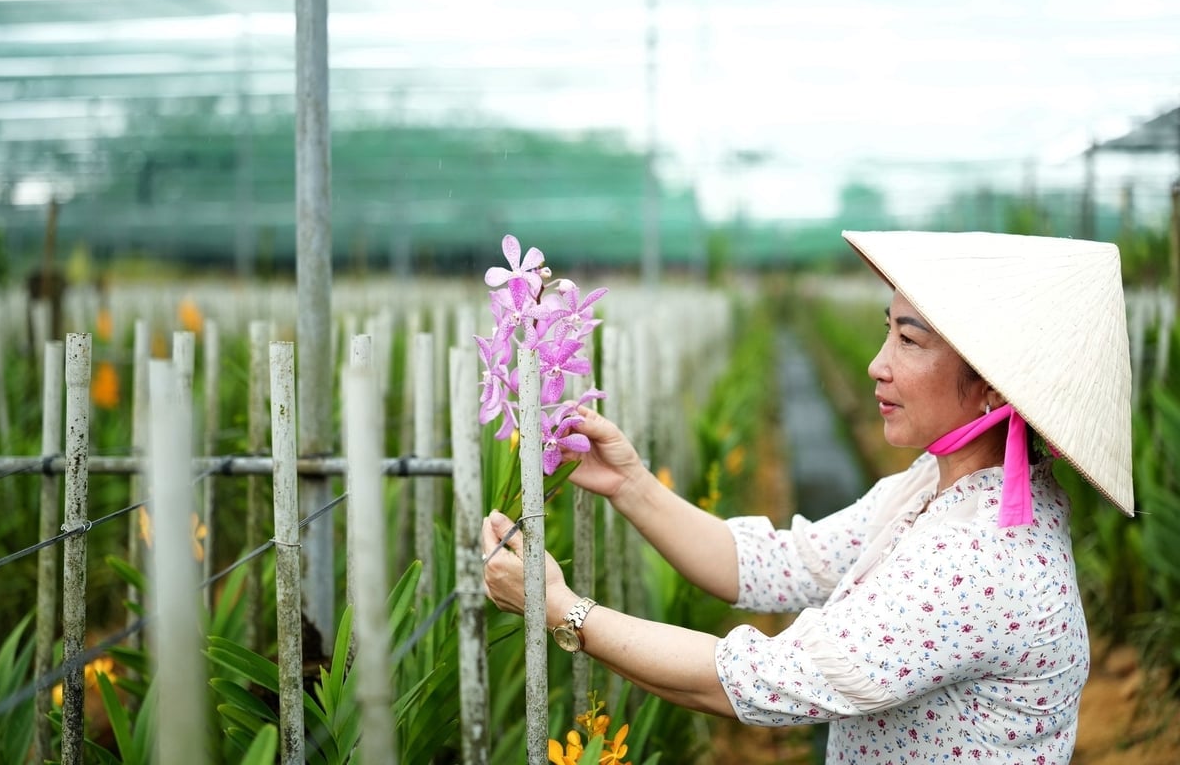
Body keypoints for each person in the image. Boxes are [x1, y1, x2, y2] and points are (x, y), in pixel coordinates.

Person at [481, 230, 1133, 764]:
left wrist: (561, 608)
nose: (878, 363)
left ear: (994, 390)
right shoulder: (941, 486)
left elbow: (749, 681)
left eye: (909, 340)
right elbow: (779, 563)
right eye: (887, 331)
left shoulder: (981, 557)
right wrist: (630, 483)